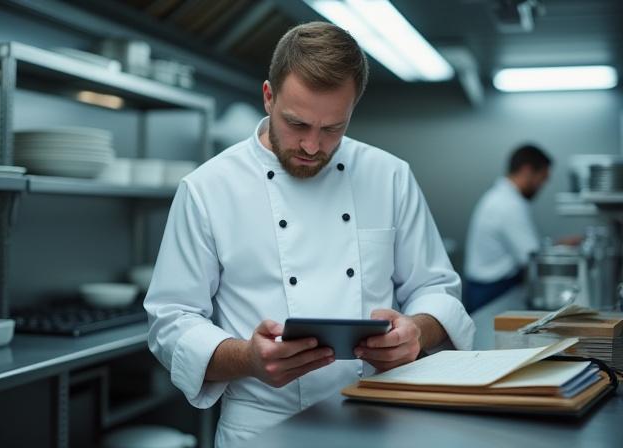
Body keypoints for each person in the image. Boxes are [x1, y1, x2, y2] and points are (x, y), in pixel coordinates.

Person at [144, 21, 475, 447]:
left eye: (333, 128)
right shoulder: (207, 188)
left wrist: (417, 331)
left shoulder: (389, 176)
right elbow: (171, 320)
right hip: (263, 428)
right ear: (268, 96)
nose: (313, 146)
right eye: (297, 124)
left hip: (379, 416)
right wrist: (248, 357)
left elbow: (435, 287)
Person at [464, 144, 553, 312]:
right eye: (542, 179)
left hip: (485, 287)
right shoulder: (509, 204)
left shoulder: (501, 197)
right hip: (492, 290)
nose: (541, 186)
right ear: (527, 170)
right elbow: (531, 255)